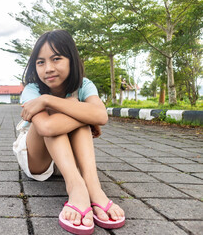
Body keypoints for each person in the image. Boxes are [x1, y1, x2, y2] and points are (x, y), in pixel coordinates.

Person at [13, 30, 125, 235]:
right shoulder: (32, 89)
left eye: (56, 59)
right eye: (40, 62)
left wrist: (48, 100)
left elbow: (102, 116)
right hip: (37, 160)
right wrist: (79, 109)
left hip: (68, 158)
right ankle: (76, 187)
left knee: (76, 114)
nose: (48, 68)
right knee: (70, 115)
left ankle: (93, 187)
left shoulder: (83, 84)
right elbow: (47, 128)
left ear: (71, 59)